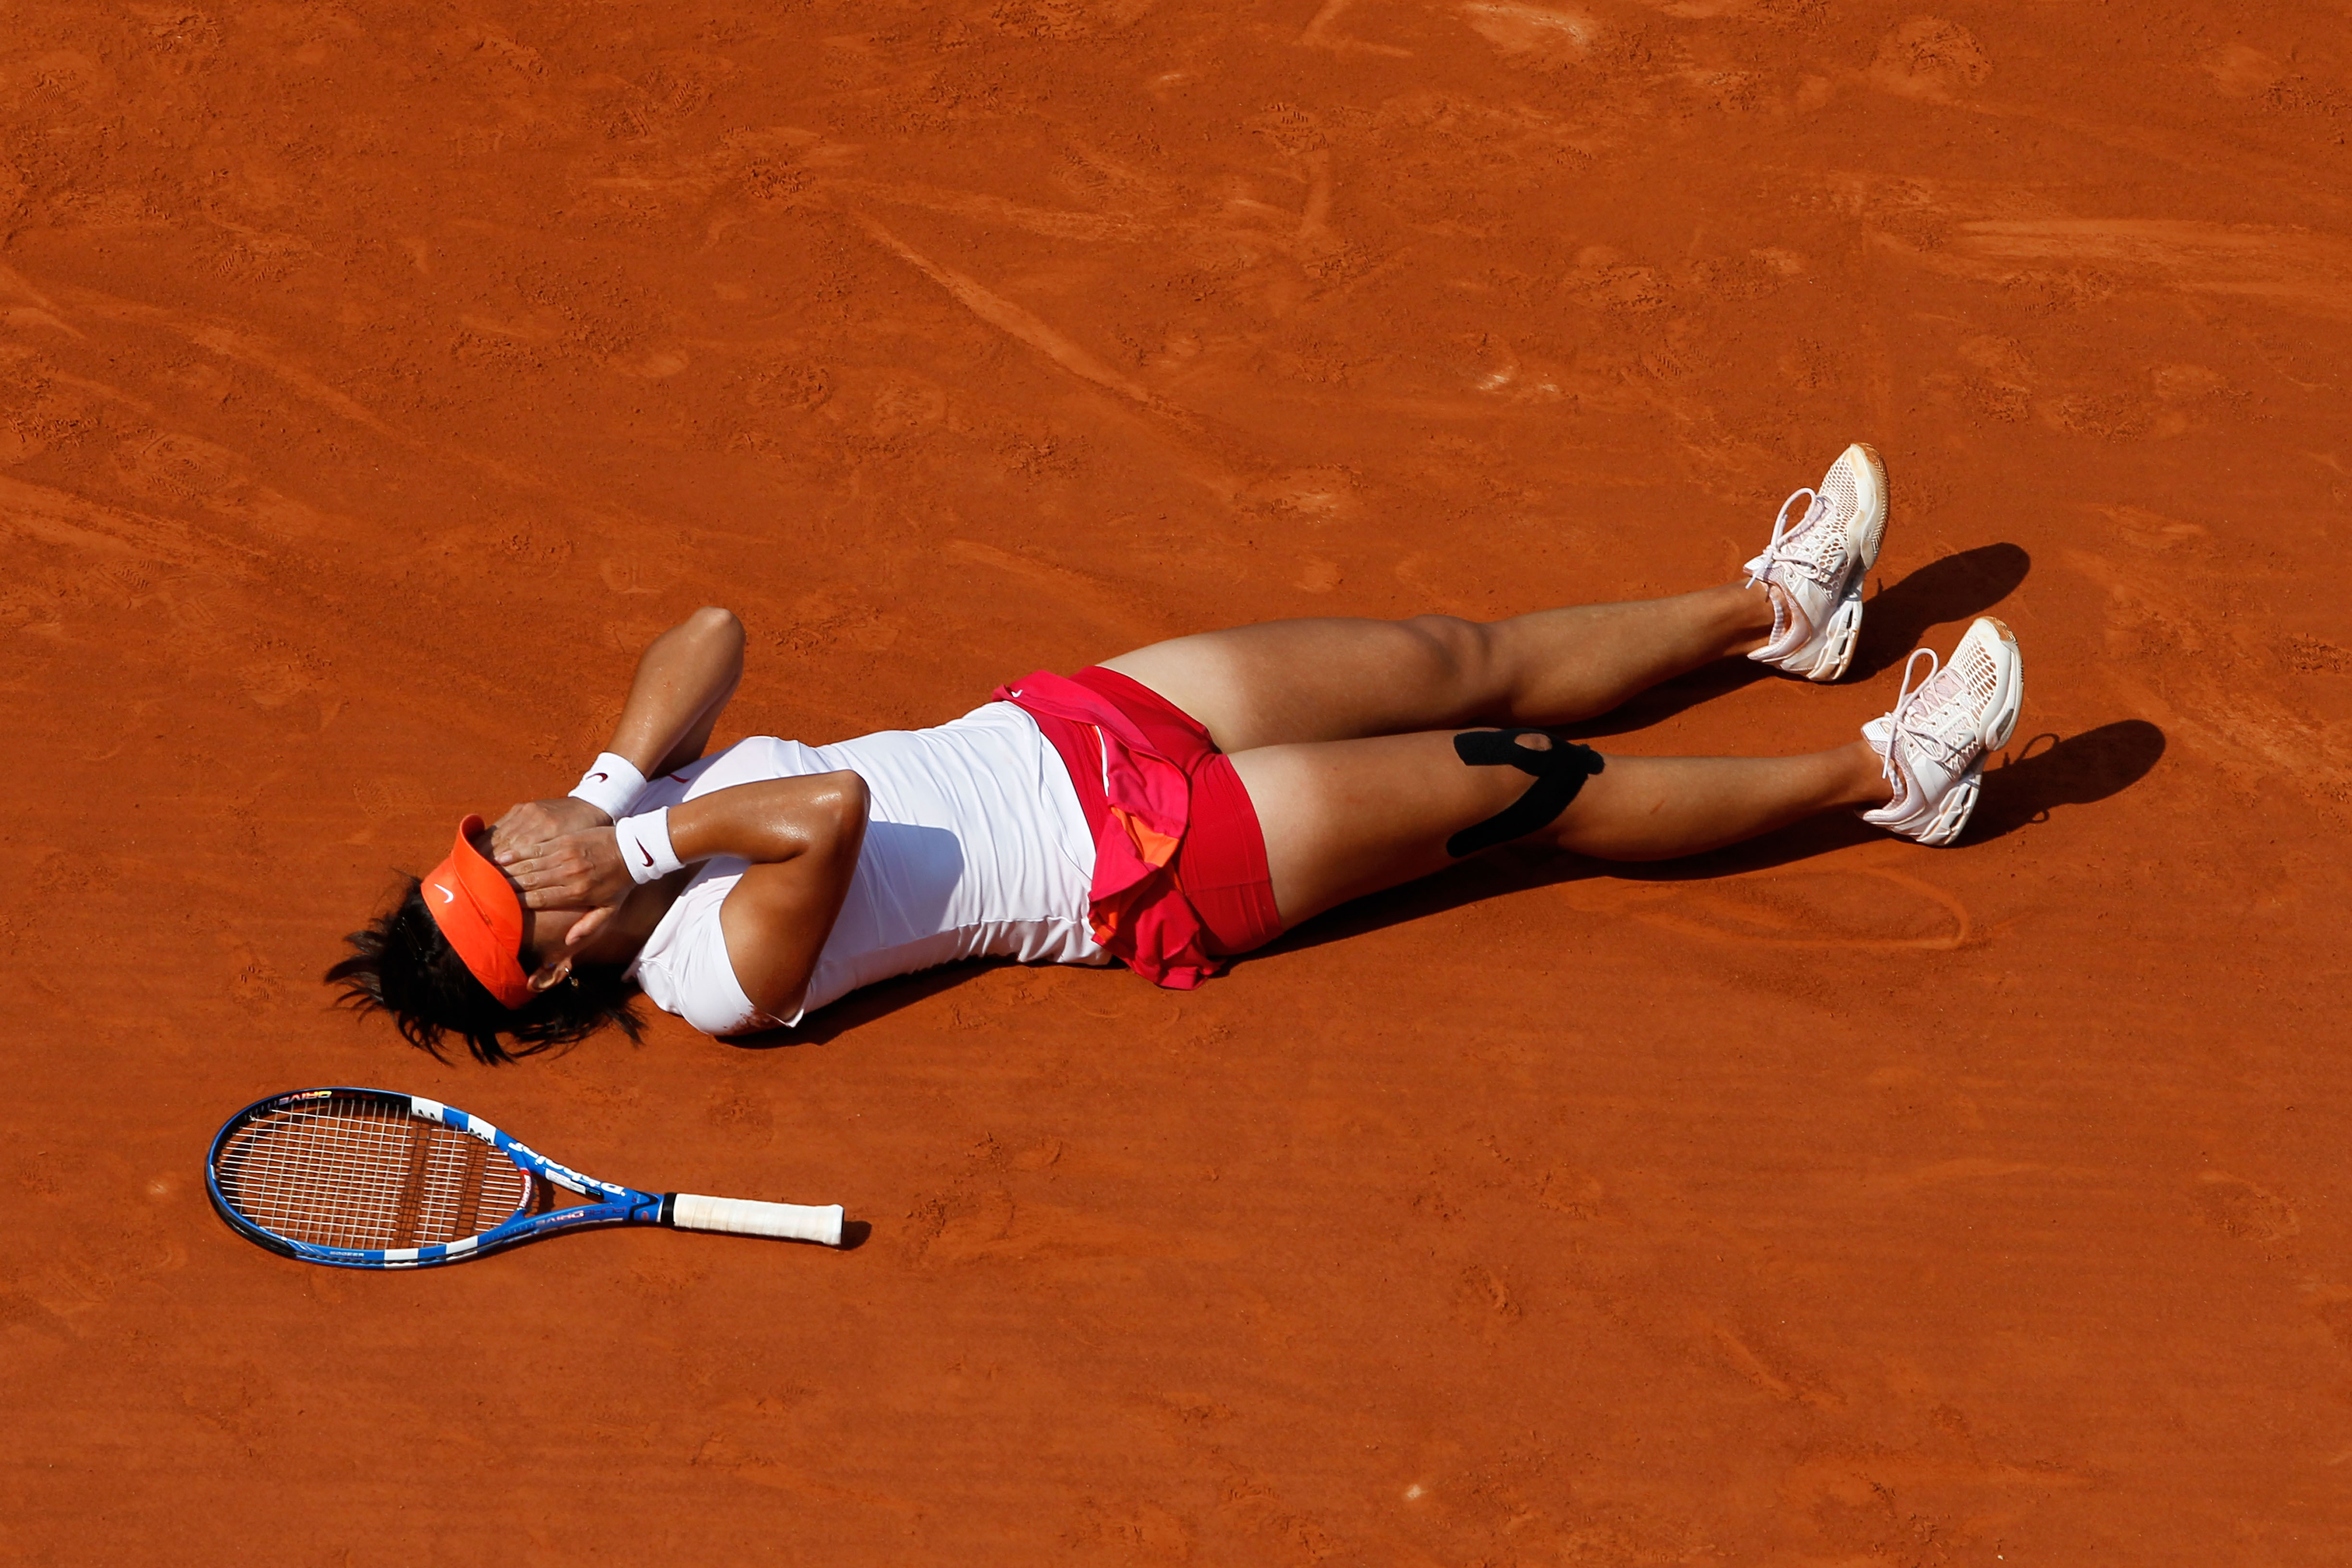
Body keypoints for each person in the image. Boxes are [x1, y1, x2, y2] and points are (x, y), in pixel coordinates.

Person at [329, 445, 2023, 1064]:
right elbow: (828, 810)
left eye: (500, 846)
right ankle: (1893, 779)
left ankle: (1769, 614)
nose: (526, 849)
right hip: (1153, 862)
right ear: (553, 968)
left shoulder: (630, 823)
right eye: (512, 889)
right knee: (1524, 777)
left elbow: (712, 630)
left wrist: (620, 787)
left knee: (1456, 650)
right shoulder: (705, 973)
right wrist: (631, 855)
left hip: (1073, 726)